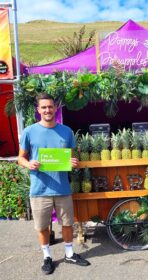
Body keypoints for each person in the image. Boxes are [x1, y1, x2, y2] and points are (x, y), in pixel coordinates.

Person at [18, 93, 90, 275]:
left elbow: (71, 157)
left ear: (55, 109)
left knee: (67, 224)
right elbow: (21, 158)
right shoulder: (29, 131)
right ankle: (47, 257)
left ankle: (69, 253)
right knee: (42, 226)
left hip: (62, 187)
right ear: (38, 110)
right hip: (39, 188)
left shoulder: (66, 131)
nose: (47, 110)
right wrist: (29, 163)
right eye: (43, 107)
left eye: (50, 107)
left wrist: (74, 163)